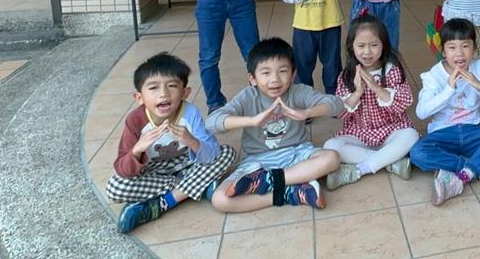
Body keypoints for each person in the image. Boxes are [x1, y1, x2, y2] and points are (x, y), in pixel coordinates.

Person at [206, 38, 342, 212]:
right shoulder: (248, 96)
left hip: (297, 153)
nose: (275, 79)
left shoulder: (299, 91)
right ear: (252, 78)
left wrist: (307, 113)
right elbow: (211, 122)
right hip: (257, 162)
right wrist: (251, 120)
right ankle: (290, 192)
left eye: (282, 71)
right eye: (266, 73)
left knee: (332, 158)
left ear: (293, 74)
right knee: (220, 199)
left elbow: (336, 104)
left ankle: (270, 181)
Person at [108, 53, 236, 233]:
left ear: (185, 92)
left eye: (172, 86)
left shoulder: (190, 113)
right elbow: (122, 169)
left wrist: (191, 141)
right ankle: (200, 185)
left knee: (227, 153)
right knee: (115, 187)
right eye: (153, 88)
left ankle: (164, 202)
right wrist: (137, 150)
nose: (163, 94)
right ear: (139, 97)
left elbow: (212, 153)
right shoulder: (135, 120)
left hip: (187, 163)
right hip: (155, 170)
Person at [410, 18, 480, 206]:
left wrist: (478, 84)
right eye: (452, 47)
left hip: (472, 131)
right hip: (443, 134)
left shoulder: (478, 68)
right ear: (443, 51)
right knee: (418, 153)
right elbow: (421, 113)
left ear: (474, 50)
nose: (459, 53)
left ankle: (460, 175)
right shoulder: (434, 75)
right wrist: (449, 89)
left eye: (465, 46)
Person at [323, 14, 419, 190]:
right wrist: (357, 93)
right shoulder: (346, 75)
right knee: (331, 146)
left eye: (374, 45)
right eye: (361, 46)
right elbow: (339, 112)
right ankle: (390, 161)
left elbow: (405, 103)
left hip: (391, 130)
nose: (367, 52)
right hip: (359, 132)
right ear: (352, 47)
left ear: (384, 45)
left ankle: (360, 169)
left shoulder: (392, 70)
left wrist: (376, 88)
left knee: (411, 135)